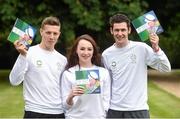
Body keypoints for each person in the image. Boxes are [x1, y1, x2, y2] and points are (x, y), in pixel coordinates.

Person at [102, 13, 171, 118]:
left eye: (123, 30)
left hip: (138, 110)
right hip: (115, 110)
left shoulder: (141, 48)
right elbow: (107, 84)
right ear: (112, 31)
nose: (120, 33)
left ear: (129, 30)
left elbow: (166, 68)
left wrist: (156, 48)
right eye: (117, 30)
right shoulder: (106, 54)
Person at [9, 16, 67, 118]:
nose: (52, 37)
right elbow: (14, 81)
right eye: (48, 32)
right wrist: (23, 56)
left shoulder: (63, 60)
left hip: (58, 113)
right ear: (41, 32)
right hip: (35, 111)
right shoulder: (28, 52)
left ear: (59, 34)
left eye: (55, 33)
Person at [61, 34, 111, 119]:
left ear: (93, 51)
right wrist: (70, 96)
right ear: (76, 50)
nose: (86, 52)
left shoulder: (103, 72)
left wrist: (102, 113)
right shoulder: (69, 73)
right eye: (82, 49)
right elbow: (65, 107)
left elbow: (106, 99)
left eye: (89, 49)